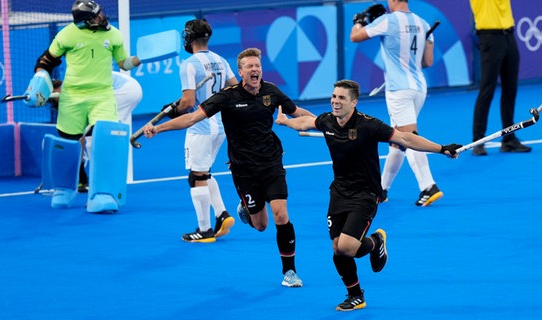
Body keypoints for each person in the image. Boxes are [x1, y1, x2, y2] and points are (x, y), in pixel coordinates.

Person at [275, 79, 462, 311]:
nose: (335, 101)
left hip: (365, 194)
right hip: (339, 192)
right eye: (334, 96)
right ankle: (356, 294)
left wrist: (441, 148)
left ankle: (374, 243)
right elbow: (306, 122)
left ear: (354, 102)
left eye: (342, 98)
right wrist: (286, 121)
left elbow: (405, 138)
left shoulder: (369, 125)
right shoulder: (327, 120)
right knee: (337, 248)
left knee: (346, 247)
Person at [143, 47, 315, 287]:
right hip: (243, 169)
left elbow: (298, 113)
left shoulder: (271, 92)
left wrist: (325, 123)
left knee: (281, 215)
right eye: (249, 67)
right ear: (240, 72)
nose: (255, 70)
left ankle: (289, 272)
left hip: (271, 162)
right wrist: (158, 128)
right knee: (261, 225)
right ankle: (245, 207)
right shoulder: (227, 96)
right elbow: (192, 118)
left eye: (258, 65)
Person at [35, 0, 142, 201]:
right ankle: (65, 190)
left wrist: (139, 58)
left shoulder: (114, 34)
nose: (101, 17)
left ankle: (103, 193)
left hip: (102, 95)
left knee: (105, 141)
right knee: (68, 143)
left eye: (100, 13)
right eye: (95, 16)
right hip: (72, 97)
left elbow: (124, 63)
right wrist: (38, 81)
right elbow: (46, 61)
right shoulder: (66, 35)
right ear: (84, 22)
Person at [350, 0, 443, 206]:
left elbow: (355, 36)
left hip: (399, 90)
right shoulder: (424, 24)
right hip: (419, 88)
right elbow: (427, 62)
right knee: (396, 140)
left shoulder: (387, 21)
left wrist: (358, 21)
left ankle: (428, 186)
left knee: (408, 138)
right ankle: (380, 189)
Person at [168, 19, 238, 243]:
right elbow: (234, 88)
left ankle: (205, 230)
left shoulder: (189, 64)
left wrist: (173, 110)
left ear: (188, 38)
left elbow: (188, 102)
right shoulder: (220, 60)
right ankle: (222, 214)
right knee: (204, 173)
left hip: (200, 126)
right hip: (220, 127)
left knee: (196, 177)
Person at [49, 71, 143, 191]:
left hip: (123, 90)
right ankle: (98, 179)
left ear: (57, 89)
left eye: (56, 97)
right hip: (131, 90)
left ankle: (98, 183)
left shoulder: (71, 85)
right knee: (104, 132)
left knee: (94, 133)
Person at [469, 0, 531, 155]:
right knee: (487, 90)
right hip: (489, 37)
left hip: (509, 36)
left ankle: (509, 139)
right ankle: (478, 141)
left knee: (510, 90)